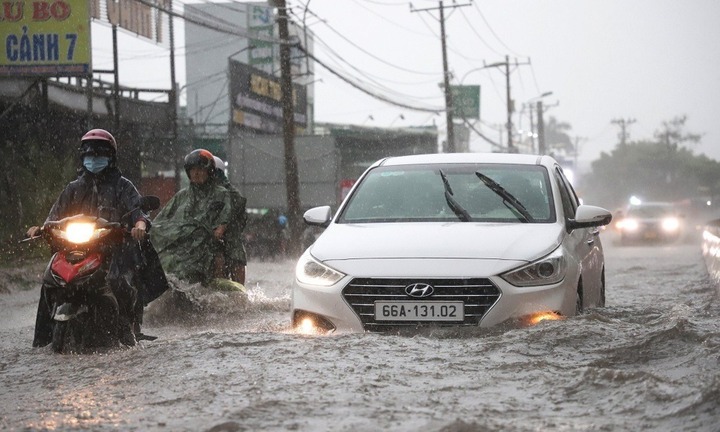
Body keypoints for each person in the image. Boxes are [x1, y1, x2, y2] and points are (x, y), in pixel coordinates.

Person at [28, 128, 151, 347]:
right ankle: (42, 341)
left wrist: (139, 224)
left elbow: (137, 211)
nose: (93, 160)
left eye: (99, 155)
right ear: (82, 157)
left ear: (110, 157)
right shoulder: (73, 188)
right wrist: (40, 228)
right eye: (89, 155)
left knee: (117, 281)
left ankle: (128, 334)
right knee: (50, 282)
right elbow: (54, 216)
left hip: (112, 250)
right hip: (74, 249)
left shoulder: (123, 186)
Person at [150, 149, 232, 285]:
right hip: (180, 243)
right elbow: (161, 219)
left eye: (200, 169)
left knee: (219, 258)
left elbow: (226, 214)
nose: (196, 173)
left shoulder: (221, 193)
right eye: (192, 170)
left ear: (209, 171)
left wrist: (220, 228)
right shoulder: (182, 195)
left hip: (206, 245)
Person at [212, 156, 248, 284]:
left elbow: (239, 219)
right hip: (207, 241)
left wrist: (223, 228)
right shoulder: (195, 194)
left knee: (235, 261)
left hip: (231, 241)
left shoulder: (232, 194)